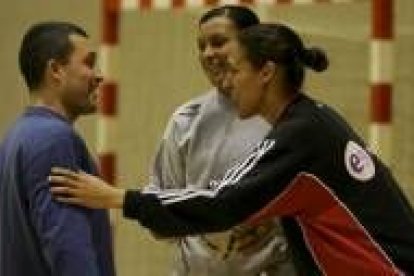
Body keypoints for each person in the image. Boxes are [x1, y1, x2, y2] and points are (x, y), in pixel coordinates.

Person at [49, 22, 414, 275]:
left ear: (266, 73)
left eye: (235, 69)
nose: (228, 80)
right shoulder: (314, 121)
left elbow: (222, 201)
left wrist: (117, 198)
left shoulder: (298, 135)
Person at [146, 5, 295, 276]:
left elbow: (320, 208)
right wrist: (208, 226)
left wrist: (273, 223)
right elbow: (159, 219)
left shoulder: (289, 121)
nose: (207, 54)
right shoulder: (185, 120)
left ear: (251, 48)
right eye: (201, 46)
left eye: (218, 43)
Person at [0, 22, 115, 276]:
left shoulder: (14, 136)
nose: (99, 75)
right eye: (88, 62)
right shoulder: (54, 139)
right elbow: (68, 250)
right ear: (56, 70)